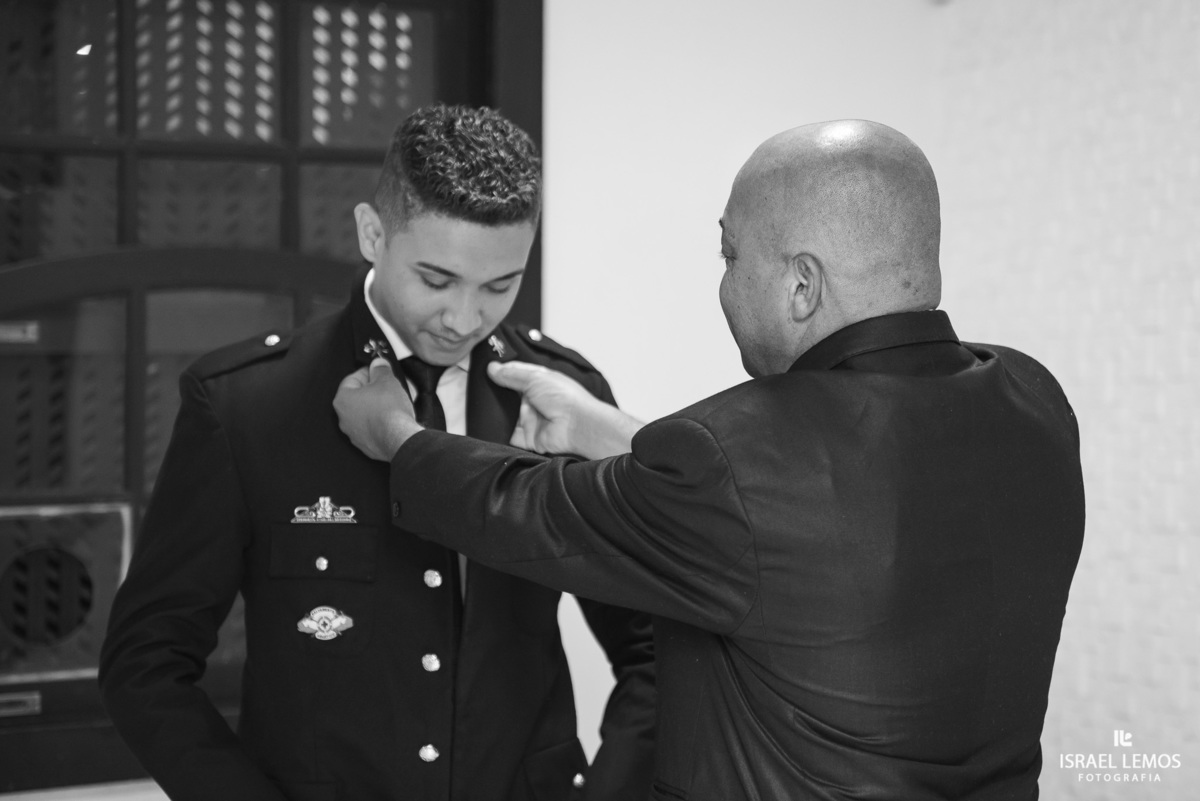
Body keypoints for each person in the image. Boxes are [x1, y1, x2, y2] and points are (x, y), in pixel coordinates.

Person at [333, 119, 1086, 800]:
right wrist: (610, 431)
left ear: (802, 284)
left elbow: (528, 510)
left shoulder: (737, 457)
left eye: (730, 253)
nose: (722, 281)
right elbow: (822, 504)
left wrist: (399, 436)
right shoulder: (1032, 401)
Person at [99, 104, 656, 801]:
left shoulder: (559, 403)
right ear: (373, 232)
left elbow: (656, 646)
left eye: (499, 286)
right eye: (436, 279)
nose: (463, 318)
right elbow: (145, 663)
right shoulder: (247, 405)